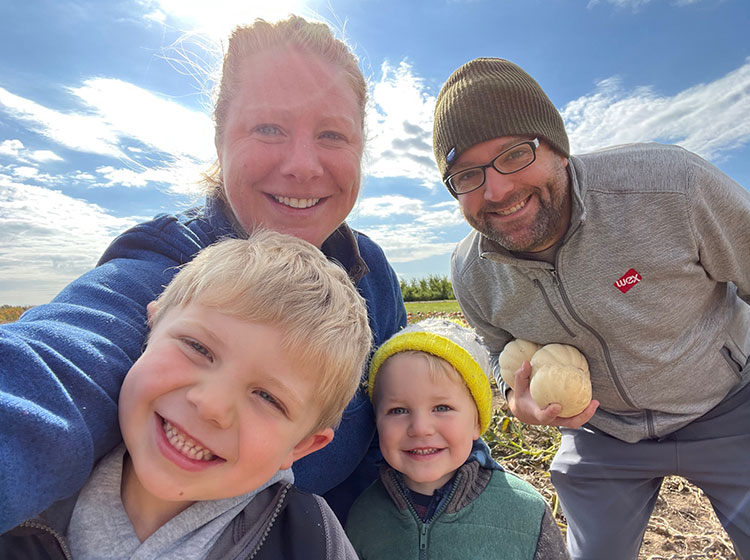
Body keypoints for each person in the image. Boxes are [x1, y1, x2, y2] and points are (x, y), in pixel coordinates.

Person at [0, 15, 407, 533]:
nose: (304, 165)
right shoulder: (168, 274)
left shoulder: (370, 274)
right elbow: (49, 374)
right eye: (269, 128)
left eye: (332, 134)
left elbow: (405, 415)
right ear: (220, 140)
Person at [431, 57, 750, 560]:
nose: (496, 190)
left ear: (557, 146)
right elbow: (500, 360)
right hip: (602, 433)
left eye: (514, 154)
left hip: (729, 406)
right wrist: (522, 404)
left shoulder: (673, 188)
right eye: (467, 175)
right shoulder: (473, 273)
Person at [1, 230, 370, 559]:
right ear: (151, 327)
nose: (211, 405)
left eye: (268, 397)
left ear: (303, 446)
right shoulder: (31, 480)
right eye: (198, 348)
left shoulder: (315, 543)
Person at [346, 318, 568, 559]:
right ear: (376, 422)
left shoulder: (527, 513)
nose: (420, 428)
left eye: (442, 408)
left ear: (477, 422)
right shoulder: (362, 516)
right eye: (398, 410)